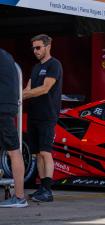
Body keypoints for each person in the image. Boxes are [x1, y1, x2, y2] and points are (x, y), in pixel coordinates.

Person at [23, 34, 63, 202]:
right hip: (33, 115)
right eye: (33, 48)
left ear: (48, 46)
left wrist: (21, 95)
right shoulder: (35, 68)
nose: (35, 51)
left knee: (46, 152)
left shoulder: (54, 65)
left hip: (47, 115)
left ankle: (48, 190)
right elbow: (29, 88)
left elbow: (45, 88)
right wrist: (19, 96)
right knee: (37, 153)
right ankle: (42, 189)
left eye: (38, 47)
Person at [0, 48, 28, 208]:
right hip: (8, 107)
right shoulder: (8, 56)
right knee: (14, 150)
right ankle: (18, 196)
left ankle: (19, 197)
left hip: (1, 107)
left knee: (13, 151)